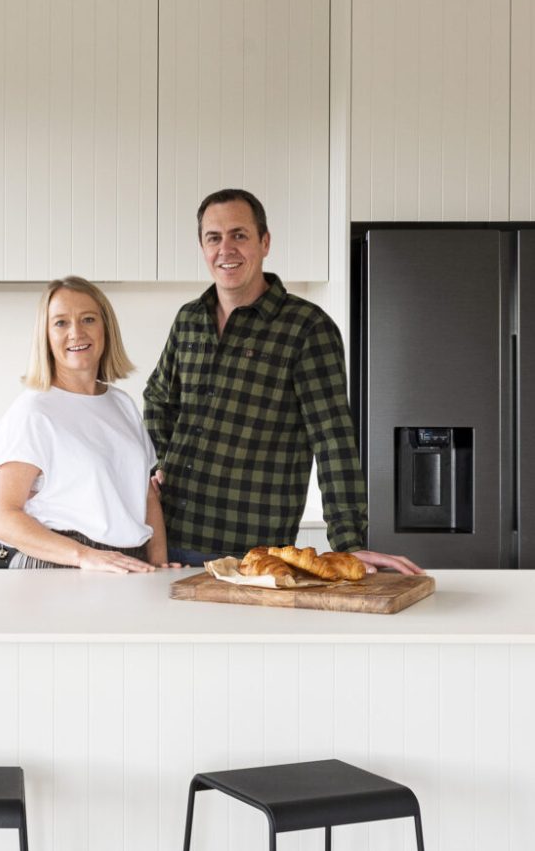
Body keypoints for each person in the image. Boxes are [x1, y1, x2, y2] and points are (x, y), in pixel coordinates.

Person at [145, 188, 379, 569]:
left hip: (251, 553)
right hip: (168, 540)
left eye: (239, 235)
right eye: (214, 238)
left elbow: (333, 439)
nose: (226, 249)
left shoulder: (307, 328)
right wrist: (161, 461)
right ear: (203, 247)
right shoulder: (189, 319)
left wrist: (348, 543)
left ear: (264, 242)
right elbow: (157, 398)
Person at [0, 276, 169, 573]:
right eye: (60, 323)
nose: (76, 332)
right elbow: (0, 518)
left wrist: (159, 562)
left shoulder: (121, 404)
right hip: (60, 568)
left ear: (105, 328)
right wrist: (84, 555)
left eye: (88, 319)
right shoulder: (33, 412)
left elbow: (145, 493)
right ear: (44, 336)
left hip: (126, 566)